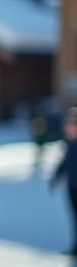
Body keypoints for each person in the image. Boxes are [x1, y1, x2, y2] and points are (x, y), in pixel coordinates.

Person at [50, 108, 77, 256]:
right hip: (72, 185)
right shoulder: (68, 143)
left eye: (71, 126)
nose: (68, 129)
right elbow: (64, 163)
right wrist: (55, 177)